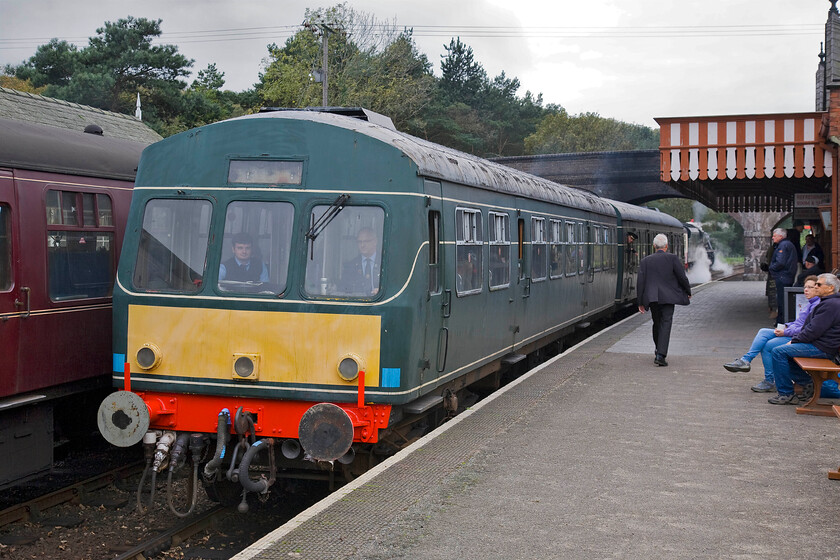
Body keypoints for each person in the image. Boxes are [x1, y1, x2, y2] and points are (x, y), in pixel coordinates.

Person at [723, 276, 820, 392]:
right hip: (793, 333)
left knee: (768, 345)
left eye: (810, 287)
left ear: (818, 289)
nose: (806, 290)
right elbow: (799, 323)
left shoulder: (816, 305)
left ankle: (768, 380)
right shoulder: (810, 303)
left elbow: (807, 329)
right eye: (805, 287)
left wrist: (785, 331)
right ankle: (746, 360)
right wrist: (787, 326)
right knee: (763, 331)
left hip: (800, 339)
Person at [767, 273, 840, 405]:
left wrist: (794, 341)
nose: (815, 287)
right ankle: (809, 383)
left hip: (823, 348)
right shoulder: (828, 303)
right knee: (784, 354)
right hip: (821, 345)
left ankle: (786, 394)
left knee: (778, 352)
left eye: (819, 284)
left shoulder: (831, 305)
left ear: (830, 288)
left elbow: (813, 331)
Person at [636, 233, 692, 367]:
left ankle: (658, 350)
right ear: (666, 246)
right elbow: (682, 277)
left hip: (653, 298)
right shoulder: (672, 258)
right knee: (666, 323)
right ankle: (660, 355)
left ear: (654, 246)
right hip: (668, 297)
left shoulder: (645, 261)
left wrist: (640, 302)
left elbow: (640, 282)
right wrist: (688, 291)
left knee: (657, 323)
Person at [767, 228, 798, 323]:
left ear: (780, 236)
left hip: (782, 276)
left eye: (774, 235)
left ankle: (781, 322)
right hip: (787, 276)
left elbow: (780, 262)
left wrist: (771, 268)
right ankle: (782, 321)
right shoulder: (787, 244)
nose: (772, 237)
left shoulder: (783, 246)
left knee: (782, 300)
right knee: (784, 300)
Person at [341, 228, 380, 296]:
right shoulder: (350, 266)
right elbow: (344, 289)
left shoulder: (384, 262)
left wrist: (381, 292)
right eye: (359, 242)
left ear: (375, 242)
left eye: (366, 241)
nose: (362, 245)